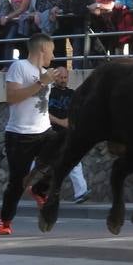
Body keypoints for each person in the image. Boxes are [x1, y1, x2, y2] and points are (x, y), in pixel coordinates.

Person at [0, 33, 60, 235]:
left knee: (63, 154)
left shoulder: (44, 72)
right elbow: (12, 97)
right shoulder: (19, 67)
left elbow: (39, 105)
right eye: (51, 50)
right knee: (17, 182)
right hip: (19, 135)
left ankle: (40, 189)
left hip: (44, 130)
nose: (53, 55)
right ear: (42, 49)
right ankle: (4, 220)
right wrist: (41, 83)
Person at [45, 69, 89, 204]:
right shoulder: (48, 93)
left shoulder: (72, 94)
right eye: (60, 77)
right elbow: (42, 112)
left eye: (65, 77)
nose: (63, 80)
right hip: (50, 133)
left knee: (74, 163)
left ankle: (81, 193)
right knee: (42, 164)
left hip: (67, 135)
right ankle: (26, 186)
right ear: (55, 78)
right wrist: (61, 122)